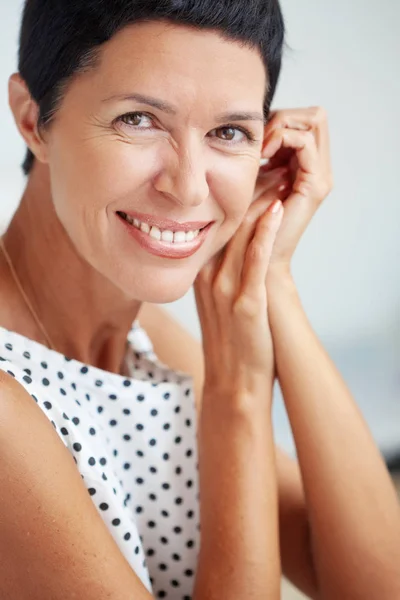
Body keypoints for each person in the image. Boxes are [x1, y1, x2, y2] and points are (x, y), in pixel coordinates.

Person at [0, 0, 399, 598]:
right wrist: (237, 392)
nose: (188, 187)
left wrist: (271, 281)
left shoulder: (139, 340)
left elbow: (372, 581)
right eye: (139, 119)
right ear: (34, 119)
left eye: (228, 132)